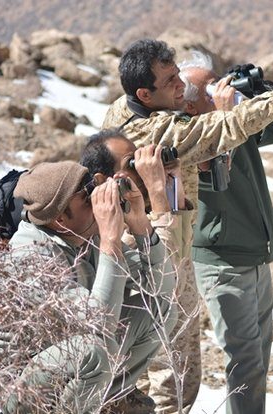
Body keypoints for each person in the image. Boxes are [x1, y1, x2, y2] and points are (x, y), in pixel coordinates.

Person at [3, 161, 176, 413]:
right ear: (60, 218)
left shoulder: (84, 236)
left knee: (160, 311)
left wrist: (141, 226)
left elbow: (162, 287)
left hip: (76, 365)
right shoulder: (30, 254)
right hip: (24, 390)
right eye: (86, 197)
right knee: (97, 350)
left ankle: (104, 400)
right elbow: (99, 324)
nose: (96, 200)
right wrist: (109, 242)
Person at [179, 51, 273, 414]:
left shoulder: (233, 124)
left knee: (258, 357)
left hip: (255, 255)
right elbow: (214, 179)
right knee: (243, 359)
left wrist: (261, 89)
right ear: (187, 102)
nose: (219, 89)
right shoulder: (187, 136)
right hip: (223, 260)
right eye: (208, 87)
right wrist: (224, 117)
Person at [102, 38, 273, 207]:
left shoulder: (125, 104)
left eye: (178, 75)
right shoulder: (155, 132)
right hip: (158, 250)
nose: (181, 86)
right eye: (171, 81)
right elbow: (229, 126)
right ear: (144, 94)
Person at [80, 129, 201, 413]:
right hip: (123, 368)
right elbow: (166, 275)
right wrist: (158, 192)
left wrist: (173, 183)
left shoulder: (132, 211)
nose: (142, 168)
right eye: (130, 164)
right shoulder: (106, 227)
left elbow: (181, 248)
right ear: (102, 181)